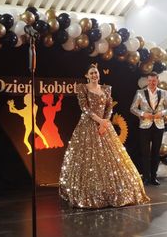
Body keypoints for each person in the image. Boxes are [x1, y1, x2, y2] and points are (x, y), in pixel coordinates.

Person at [59, 64, 150, 208]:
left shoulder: (106, 89)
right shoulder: (83, 88)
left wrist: (105, 123)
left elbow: (109, 108)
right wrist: (100, 121)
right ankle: (90, 192)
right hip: (88, 125)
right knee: (89, 159)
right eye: (91, 73)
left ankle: (113, 191)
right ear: (87, 76)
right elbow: (85, 108)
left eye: (96, 72)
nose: (94, 75)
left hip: (104, 126)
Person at [130, 71, 167, 186]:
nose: (151, 83)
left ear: (157, 80)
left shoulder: (163, 93)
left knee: (156, 153)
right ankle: (146, 177)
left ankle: (154, 177)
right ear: (147, 81)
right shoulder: (140, 93)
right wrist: (143, 114)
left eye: (154, 81)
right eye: (149, 80)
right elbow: (133, 108)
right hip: (145, 126)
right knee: (145, 153)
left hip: (159, 125)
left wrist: (161, 113)